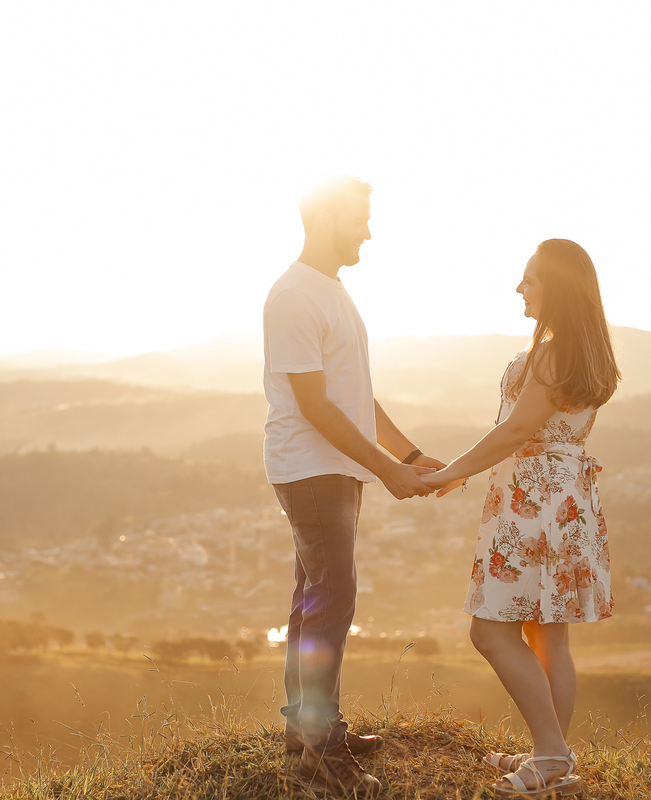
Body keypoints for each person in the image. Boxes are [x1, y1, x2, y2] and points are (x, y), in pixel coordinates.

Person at [263, 176, 444, 798]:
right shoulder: (293, 296)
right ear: (323, 217)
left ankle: (310, 731)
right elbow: (315, 405)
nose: (368, 229)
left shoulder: (330, 291)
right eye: (359, 217)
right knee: (332, 598)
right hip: (313, 466)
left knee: (313, 599)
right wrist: (388, 470)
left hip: (333, 466)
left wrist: (409, 454)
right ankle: (318, 748)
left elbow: (354, 395)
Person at [421, 239, 620, 798]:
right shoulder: (585, 351)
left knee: (490, 631)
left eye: (528, 279)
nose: (518, 288)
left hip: (533, 500)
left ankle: (552, 752)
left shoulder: (554, 353)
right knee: (545, 633)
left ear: (554, 286)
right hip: (565, 500)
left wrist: (448, 473)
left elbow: (515, 431)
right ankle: (550, 752)